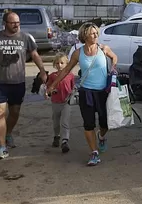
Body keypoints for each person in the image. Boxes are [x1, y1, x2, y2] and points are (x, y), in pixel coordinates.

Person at [0, 10, 47, 160]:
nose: (16, 25)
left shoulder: (25, 38)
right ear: (5, 23)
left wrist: (42, 71)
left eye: (18, 22)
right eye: (13, 23)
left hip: (17, 82)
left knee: (14, 113)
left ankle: (8, 133)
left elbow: (35, 55)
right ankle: (1, 147)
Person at [47, 22, 118, 166]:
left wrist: (113, 68)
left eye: (96, 33)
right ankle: (94, 152)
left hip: (103, 92)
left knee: (105, 123)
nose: (96, 35)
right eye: (92, 33)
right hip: (86, 92)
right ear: (85, 35)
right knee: (88, 124)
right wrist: (53, 84)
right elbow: (66, 70)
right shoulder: (78, 53)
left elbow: (114, 57)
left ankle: (101, 136)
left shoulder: (103, 49)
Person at [44, 53, 75, 153]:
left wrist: (72, 94)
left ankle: (65, 141)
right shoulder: (53, 76)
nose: (59, 65)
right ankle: (56, 136)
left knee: (65, 122)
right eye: (57, 63)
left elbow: (73, 87)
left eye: (62, 63)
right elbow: (48, 88)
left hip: (67, 102)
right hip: (56, 102)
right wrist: (49, 92)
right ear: (54, 64)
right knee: (56, 121)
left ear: (67, 64)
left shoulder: (70, 76)